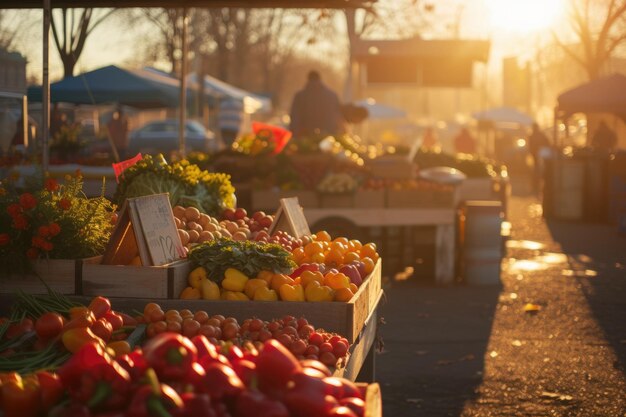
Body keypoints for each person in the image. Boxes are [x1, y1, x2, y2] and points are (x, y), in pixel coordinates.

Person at [289, 70, 342, 138]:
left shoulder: (299, 96)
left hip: (305, 137)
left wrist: (295, 134)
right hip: (328, 137)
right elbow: (337, 116)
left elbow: (295, 117)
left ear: (308, 79)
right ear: (320, 79)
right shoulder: (332, 95)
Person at [528, 123, 551, 193]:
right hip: (539, 157)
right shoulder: (540, 135)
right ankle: (537, 187)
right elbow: (548, 143)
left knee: (536, 172)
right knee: (539, 172)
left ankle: (536, 187)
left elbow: (530, 147)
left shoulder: (532, 136)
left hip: (537, 156)